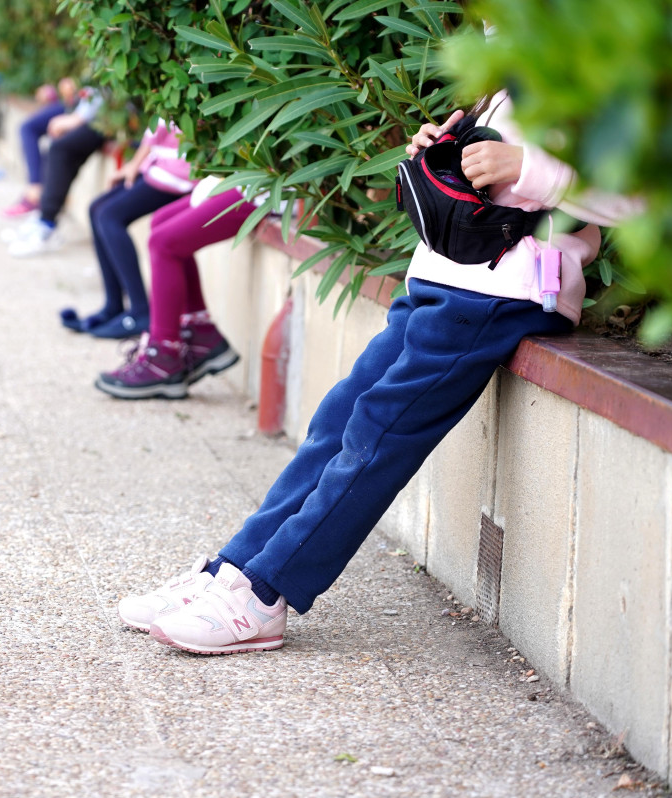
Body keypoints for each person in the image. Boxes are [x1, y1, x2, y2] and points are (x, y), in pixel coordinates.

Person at [117, 92, 640, 655]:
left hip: (501, 293)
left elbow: (642, 198)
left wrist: (527, 167)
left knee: (378, 432)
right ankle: (235, 570)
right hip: (440, 277)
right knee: (339, 419)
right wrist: (438, 152)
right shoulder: (502, 64)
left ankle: (265, 593)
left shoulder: (582, 55)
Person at [93, 178, 256, 397]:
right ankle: (200, 332)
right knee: (161, 221)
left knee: (164, 243)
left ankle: (164, 357)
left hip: (271, 188)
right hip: (249, 180)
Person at [63, 119, 196, 340]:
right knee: (97, 208)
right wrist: (135, 163)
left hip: (182, 169)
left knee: (109, 216)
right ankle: (113, 306)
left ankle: (139, 311)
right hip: (160, 163)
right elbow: (159, 123)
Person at [6, 87, 106, 257]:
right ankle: (43, 213)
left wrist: (77, 118)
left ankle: (46, 221)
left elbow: (110, 92)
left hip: (106, 115)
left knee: (59, 148)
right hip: (86, 106)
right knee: (51, 142)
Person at [2, 78, 79, 218]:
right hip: (76, 104)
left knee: (34, 132)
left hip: (83, 108)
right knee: (33, 131)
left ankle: (35, 191)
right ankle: (37, 192)